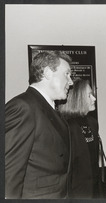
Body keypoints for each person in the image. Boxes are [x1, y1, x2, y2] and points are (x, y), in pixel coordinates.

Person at [5, 51, 74, 199]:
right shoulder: (24, 107)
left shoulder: (46, 107)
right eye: (67, 74)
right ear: (48, 73)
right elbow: (8, 174)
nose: (71, 82)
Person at [58, 78, 99, 199]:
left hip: (94, 188)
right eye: (89, 95)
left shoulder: (92, 123)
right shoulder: (65, 126)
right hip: (74, 191)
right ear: (77, 99)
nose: (94, 99)